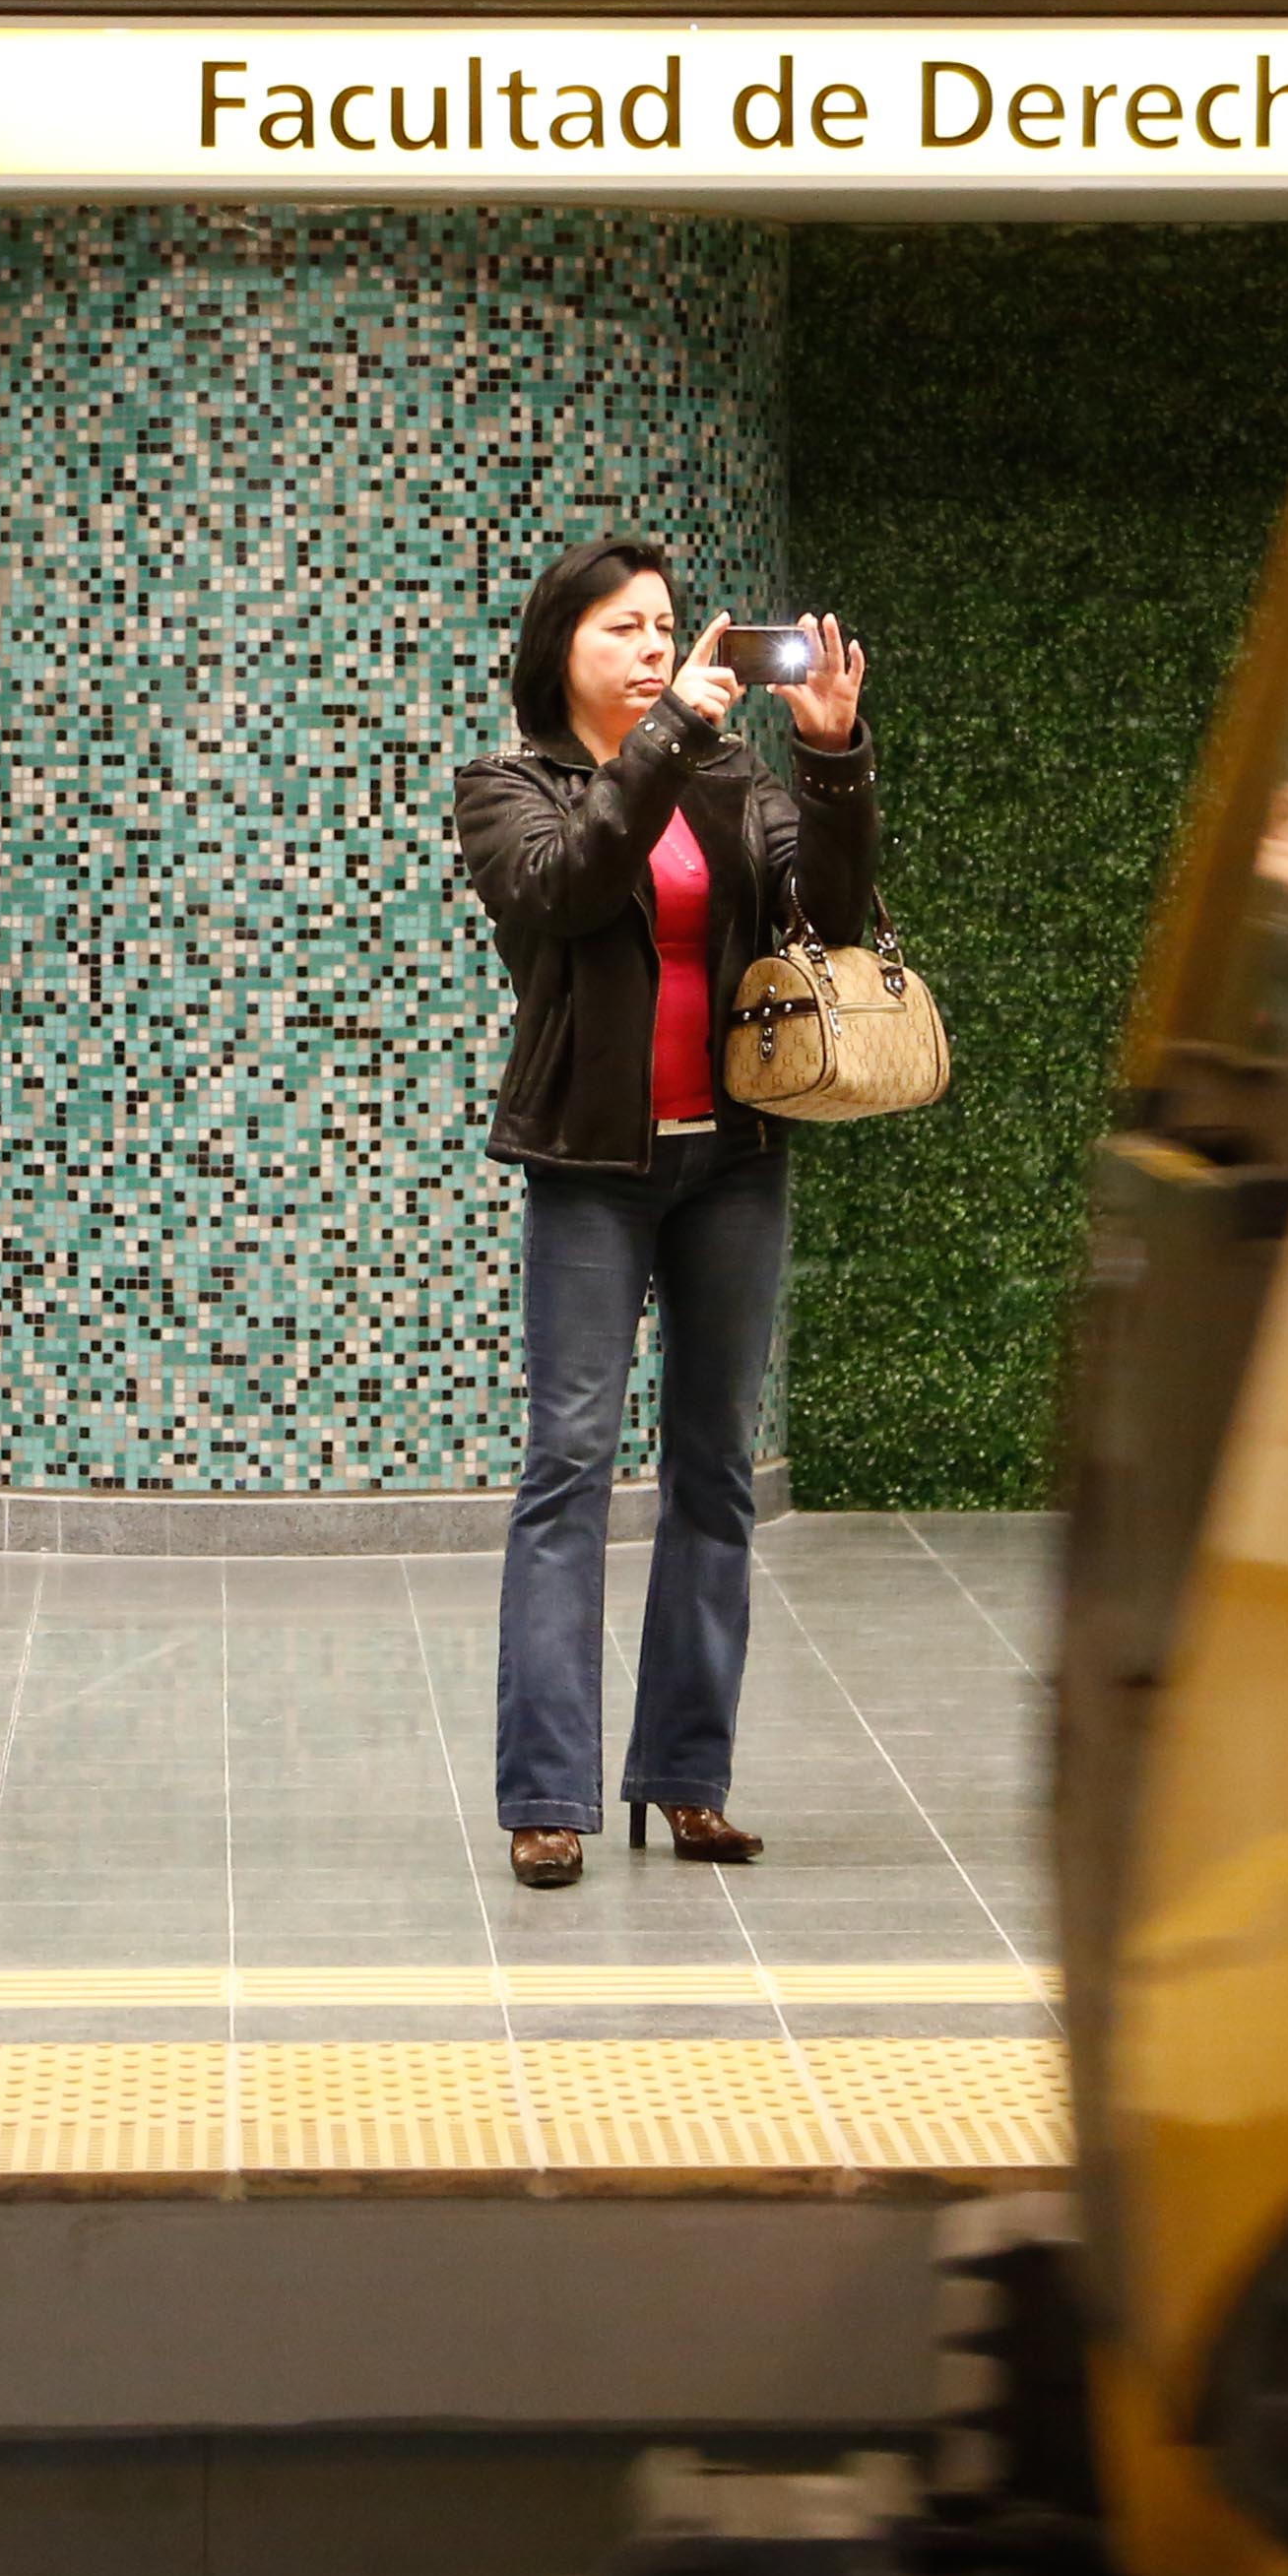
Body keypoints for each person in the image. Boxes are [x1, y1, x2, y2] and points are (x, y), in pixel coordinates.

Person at [451, 537, 877, 1890]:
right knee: (568, 1469)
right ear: (560, 649)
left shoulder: (738, 779)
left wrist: (829, 759)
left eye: (668, 630)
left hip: (735, 1161)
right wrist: (672, 735)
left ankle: (688, 1779)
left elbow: (841, 916)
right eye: (625, 631)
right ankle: (548, 1796)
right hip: (591, 1166)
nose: (653, 649)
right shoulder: (509, 785)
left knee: (714, 1478)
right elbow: (565, 888)